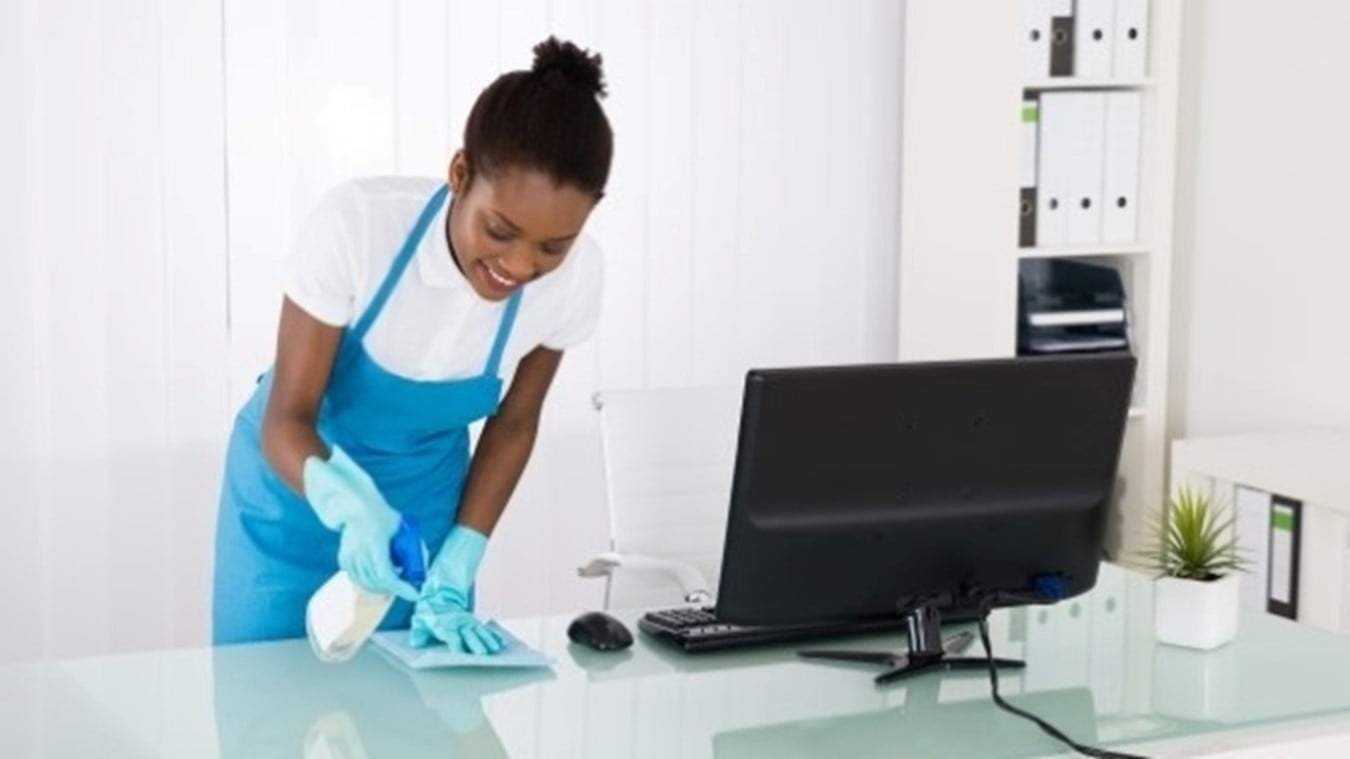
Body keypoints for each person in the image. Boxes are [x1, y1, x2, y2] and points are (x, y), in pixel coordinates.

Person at [212, 36, 612, 654]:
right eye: (499, 230)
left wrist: (463, 552)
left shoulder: (576, 279)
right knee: (266, 699)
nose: (520, 265)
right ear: (460, 173)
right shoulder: (358, 227)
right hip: (292, 500)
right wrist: (353, 508)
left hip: (420, 523)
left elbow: (515, 422)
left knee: (417, 704)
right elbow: (287, 416)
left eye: (552, 247)